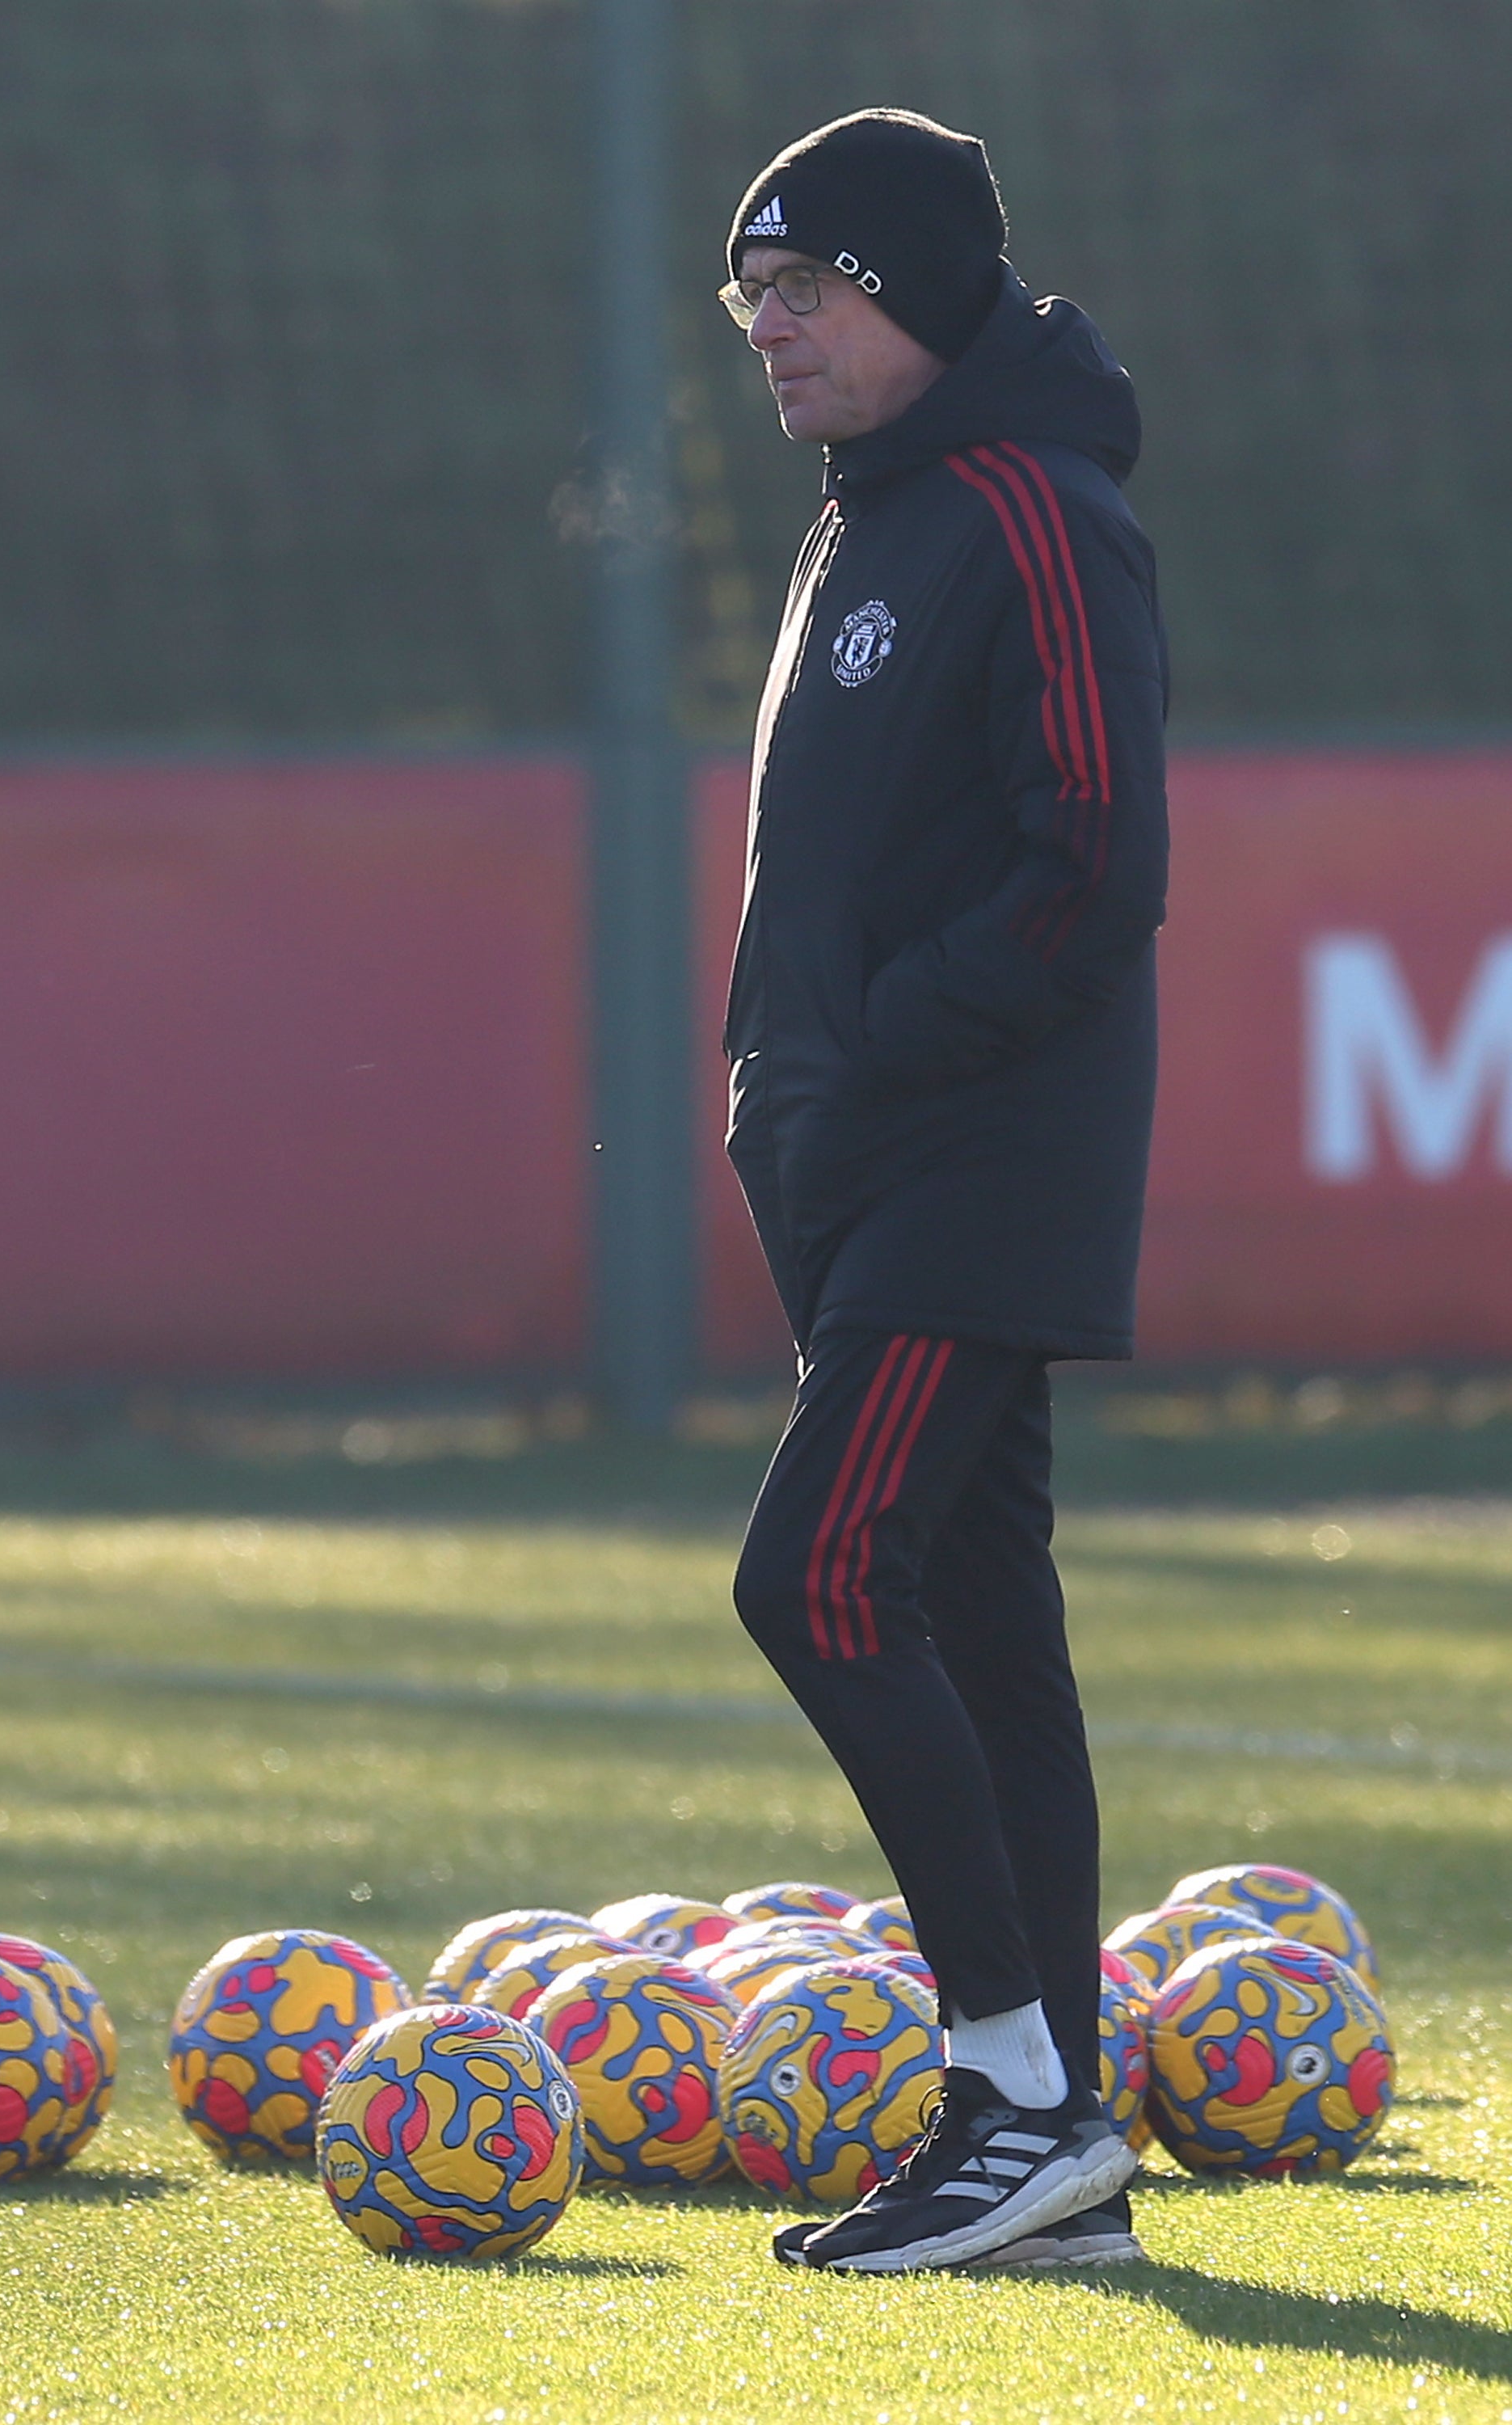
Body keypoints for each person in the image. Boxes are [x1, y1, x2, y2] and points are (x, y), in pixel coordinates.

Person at [717, 108, 1169, 2273]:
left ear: (911, 293)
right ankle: (1044, 2147)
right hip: (864, 1162)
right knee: (983, 1624)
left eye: (803, 292)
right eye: (751, 299)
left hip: (975, 1159)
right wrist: (774, 1090)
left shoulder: (1030, 507)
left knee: (808, 1583)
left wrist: (887, 1052)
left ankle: (1008, 2079)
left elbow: (1091, 857)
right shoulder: (861, 517)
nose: (769, 332)